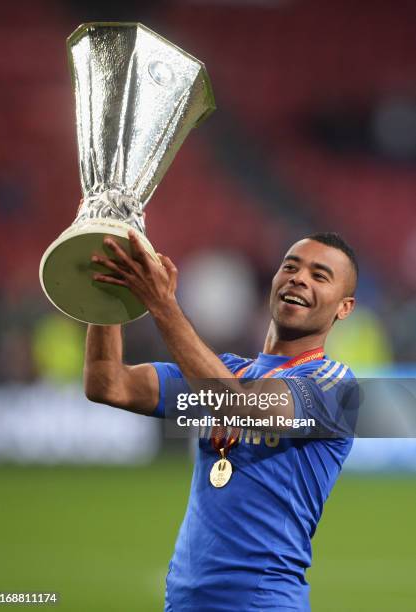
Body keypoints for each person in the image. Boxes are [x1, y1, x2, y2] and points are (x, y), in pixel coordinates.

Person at [84, 230, 358, 611]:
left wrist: (163, 305)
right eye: (291, 267)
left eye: (319, 275)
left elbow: (238, 406)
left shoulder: (334, 386)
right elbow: (107, 383)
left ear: (344, 307)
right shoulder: (226, 370)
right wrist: (106, 298)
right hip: (184, 601)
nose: (299, 278)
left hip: (262, 603)